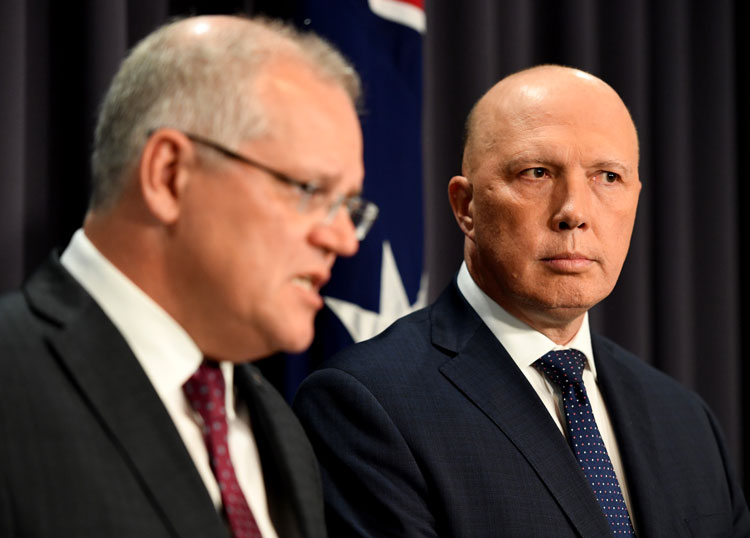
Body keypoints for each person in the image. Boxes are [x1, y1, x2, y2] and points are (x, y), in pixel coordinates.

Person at [293, 65, 750, 537]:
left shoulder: (686, 420)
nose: (574, 210)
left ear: (635, 198)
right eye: (536, 173)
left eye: (607, 177)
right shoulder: (366, 404)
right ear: (465, 207)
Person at [0, 15, 378, 538]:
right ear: (169, 175)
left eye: (349, 205)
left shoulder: (280, 428)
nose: (345, 240)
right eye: (311, 190)